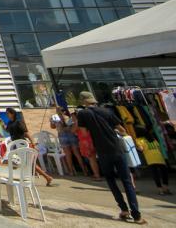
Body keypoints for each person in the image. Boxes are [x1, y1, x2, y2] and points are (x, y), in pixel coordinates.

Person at [76, 91, 145, 224]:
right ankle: (137, 215)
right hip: (117, 149)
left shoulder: (83, 114)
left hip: (102, 151)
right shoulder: (107, 111)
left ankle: (124, 209)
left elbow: (84, 132)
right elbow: (122, 129)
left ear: (83, 101)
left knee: (111, 180)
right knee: (127, 181)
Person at [5, 108, 54, 185]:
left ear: (12, 113)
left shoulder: (18, 122)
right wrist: (2, 124)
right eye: (6, 113)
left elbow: (26, 133)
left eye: (8, 113)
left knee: (29, 163)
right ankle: (46, 177)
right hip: (15, 144)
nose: (6, 115)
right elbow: (8, 131)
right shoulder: (10, 123)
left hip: (22, 144)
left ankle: (47, 177)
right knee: (21, 161)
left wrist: (33, 144)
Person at [134, 126, 170, 195]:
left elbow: (141, 149)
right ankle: (166, 188)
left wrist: (135, 147)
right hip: (160, 158)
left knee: (156, 174)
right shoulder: (153, 139)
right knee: (164, 173)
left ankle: (160, 190)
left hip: (151, 159)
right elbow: (159, 147)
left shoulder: (139, 140)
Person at [54, 106, 87, 176]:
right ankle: (84, 171)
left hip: (62, 135)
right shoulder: (69, 117)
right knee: (77, 154)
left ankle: (71, 171)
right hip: (71, 135)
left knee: (68, 155)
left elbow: (53, 126)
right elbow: (72, 126)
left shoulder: (55, 118)